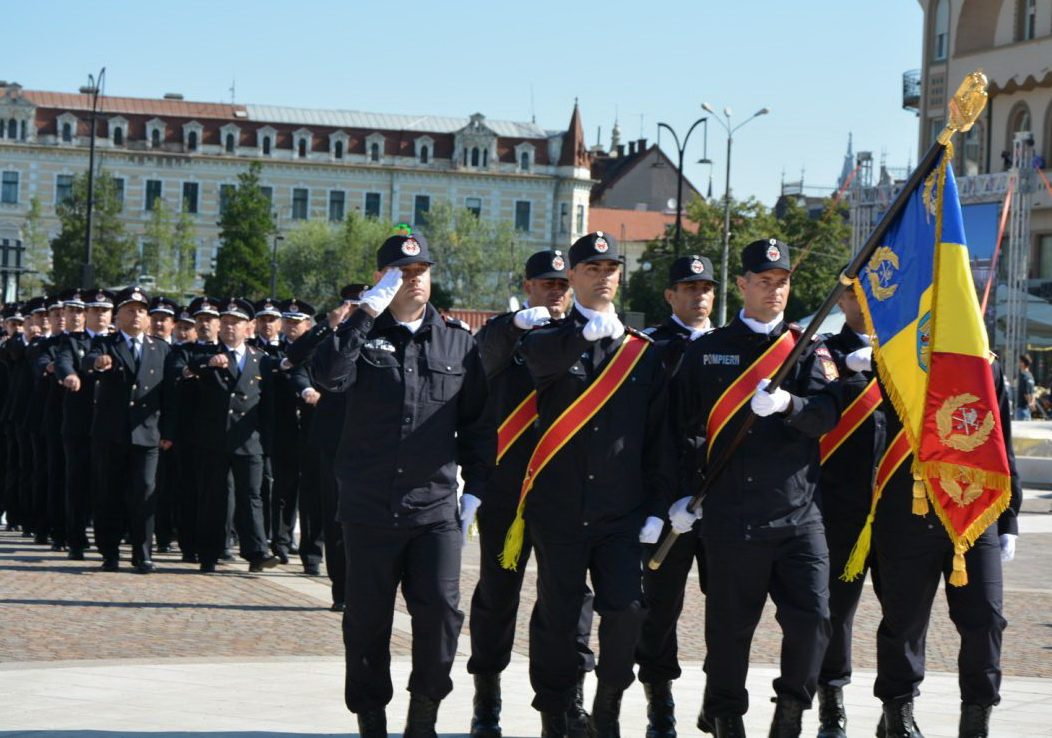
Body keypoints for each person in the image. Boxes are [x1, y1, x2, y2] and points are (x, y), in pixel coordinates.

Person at [313, 234, 492, 738]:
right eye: (401, 272)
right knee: (366, 623)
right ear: (382, 278)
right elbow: (327, 376)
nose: (413, 280)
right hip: (369, 507)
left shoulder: (458, 341)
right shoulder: (361, 335)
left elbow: (479, 423)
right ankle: (371, 719)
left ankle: (424, 717)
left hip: (433, 509)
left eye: (420, 271)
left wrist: (476, 489)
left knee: (441, 612)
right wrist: (363, 316)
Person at [672, 239, 842, 738]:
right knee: (729, 631)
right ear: (743, 284)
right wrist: (680, 495)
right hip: (731, 516)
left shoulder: (808, 348)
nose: (774, 290)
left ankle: (790, 711)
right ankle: (725, 715)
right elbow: (681, 430)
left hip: (797, 514)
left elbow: (826, 415)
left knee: (813, 620)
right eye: (764, 281)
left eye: (782, 282)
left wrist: (791, 405)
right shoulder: (708, 351)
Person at [519, 231, 675, 738]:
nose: (604, 278)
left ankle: (608, 703)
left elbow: (658, 438)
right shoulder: (548, 337)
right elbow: (538, 361)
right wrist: (579, 337)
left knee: (627, 609)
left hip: (620, 512)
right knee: (560, 617)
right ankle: (558, 710)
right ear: (573, 278)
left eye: (611, 270)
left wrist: (656, 507)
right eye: (592, 270)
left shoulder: (642, 352)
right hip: (559, 508)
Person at [467, 249, 596, 738]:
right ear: (527, 287)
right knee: (498, 596)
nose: (556, 293)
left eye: (563, 285)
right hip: (508, 492)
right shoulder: (509, 334)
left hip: (563, 493)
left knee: (566, 601)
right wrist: (516, 325)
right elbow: (481, 357)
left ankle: (564, 703)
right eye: (546, 284)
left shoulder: (585, 338)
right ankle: (487, 696)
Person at [868, 358, 1021, 737]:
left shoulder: (985, 364)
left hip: (973, 511)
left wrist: (1009, 516)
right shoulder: (895, 353)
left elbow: (1001, 439)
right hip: (910, 507)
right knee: (903, 623)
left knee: (986, 619)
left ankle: (976, 720)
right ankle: (898, 717)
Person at [636, 254, 717, 738]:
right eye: (688, 287)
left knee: (729, 605)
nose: (698, 295)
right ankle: (659, 704)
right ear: (670, 295)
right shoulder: (651, 348)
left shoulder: (732, 344)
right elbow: (646, 431)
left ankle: (717, 699)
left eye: (705, 287)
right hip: (666, 500)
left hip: (723, 495)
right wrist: (655, 501)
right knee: (659, 607)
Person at [813, 283, 887, 738]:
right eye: (857, 295)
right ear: (840, 300)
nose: (866, 304)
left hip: (898, 507)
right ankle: (831, 707)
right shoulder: (823, 354)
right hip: (840, 508)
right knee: (835, 614)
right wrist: (855, 374)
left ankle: (897, 706)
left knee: (904, 614)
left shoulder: (905, 354)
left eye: (875, 296)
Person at [82, 287, 175, 573]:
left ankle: (142, 552)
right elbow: (87, 360)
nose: (136, 316)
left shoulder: (161, 348)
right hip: (111, 433)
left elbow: (169, 395)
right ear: (118, 316)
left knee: (145, 491)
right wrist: (98, 363)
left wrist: (168, 432)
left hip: (147, 434)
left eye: (141, 311)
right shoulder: (106, 344)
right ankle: (109, 552)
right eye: (130, 310)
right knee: (109, 493)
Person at [286, 286, 366, 611]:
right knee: (335, 517)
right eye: (354, 304)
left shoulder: (379, 332)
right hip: (334, 439)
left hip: (371, 439)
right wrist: (328, 326)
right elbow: (295, 358)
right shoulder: (332, 333)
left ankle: (367, 588)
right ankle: (343, 590)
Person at [186, 297, 279, 574]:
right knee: (214, 497)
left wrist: (268, 442)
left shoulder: (261, 360)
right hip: (213, 440)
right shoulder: (206, 355)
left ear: (249, 327)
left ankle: (257, 552)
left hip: (249, 441)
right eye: (225, 322)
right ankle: (209, 552)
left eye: (236, 323)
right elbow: (188, 366)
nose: (229, 327)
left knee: (252, 497)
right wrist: (209, 362)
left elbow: (268, 406)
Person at [53, 288, 112, 560]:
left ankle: (107, 540)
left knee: (107, 485)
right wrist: (69, 375)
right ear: (86, 314)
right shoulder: (72, 341)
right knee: (77, 482)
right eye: (95, 310)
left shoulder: (115, 341)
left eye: (104, 311)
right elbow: (63, 361)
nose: (100, 315)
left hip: (111, 424)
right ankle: (75, 538)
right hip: (79, 423)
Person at [1016, 354, 1036, 420]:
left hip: (1022, 408)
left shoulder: (1023, 376)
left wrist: (1030, 403)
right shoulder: (1031, 376)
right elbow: (1033, 392)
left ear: (1023, 364)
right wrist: (1032, 403)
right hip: (1028, 408)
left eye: (1020, 362)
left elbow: (1025, 393)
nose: (1019, 364)